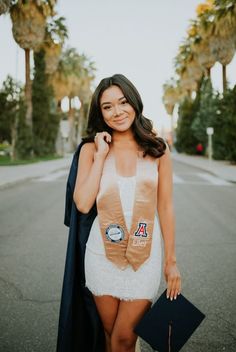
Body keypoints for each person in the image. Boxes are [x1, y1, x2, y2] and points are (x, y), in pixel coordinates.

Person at [57, 73, 181, 352]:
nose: (117, 112)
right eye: (107, 106)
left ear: (135, 103)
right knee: (109, 333)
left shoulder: (158, 149)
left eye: (123, 102)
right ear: (99, 112)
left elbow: (166, 206)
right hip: (102, 256)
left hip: (144, 256)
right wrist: (101, 155)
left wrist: (171, 261)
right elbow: (83, 203)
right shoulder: (91, 149)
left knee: (125, 337)